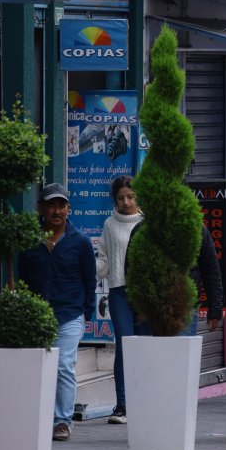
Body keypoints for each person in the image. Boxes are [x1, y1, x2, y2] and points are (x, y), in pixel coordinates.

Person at [19, 183, 97, 441]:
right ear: (41, 208)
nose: (56, 211)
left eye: (61, 205)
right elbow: (21, 276)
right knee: (37, 368)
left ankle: (62, 421)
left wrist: (85, 312)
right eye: (51, 205)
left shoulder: (81, 242)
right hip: (35, 315)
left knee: (64, 366)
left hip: (69, 314)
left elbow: (89, 279)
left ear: (68, 209)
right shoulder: (29, 240)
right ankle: (39, 417)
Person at [95, 175, 143, 424]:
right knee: (124, 345)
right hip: (118, 291)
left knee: (144, 346)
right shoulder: (110, 224)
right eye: (120, 198)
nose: (125, 201)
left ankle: (143, 401)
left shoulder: (147, 222)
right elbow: (103, 259)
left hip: (144, 293)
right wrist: (86, 272)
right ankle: (122, 405)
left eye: (130, 196)